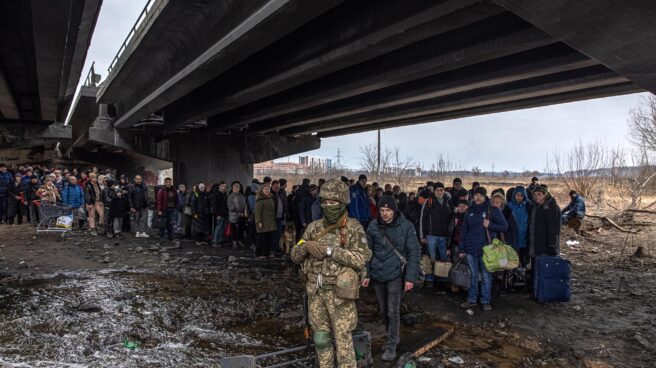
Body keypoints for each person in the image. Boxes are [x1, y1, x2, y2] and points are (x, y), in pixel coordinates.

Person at [290, 179, 371, 368]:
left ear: (342, 203)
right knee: (320, 338)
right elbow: (295, 254)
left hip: (339, 296)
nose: (328, 206)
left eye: (333, 203)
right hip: (316, 292)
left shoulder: (353, 228)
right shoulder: (313, 228)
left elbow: (360, 259)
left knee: (343, 341)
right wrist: (306, 247)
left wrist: (331, 251)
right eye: (325, 202)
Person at [362, 195, 420, 361]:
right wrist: (366, 273)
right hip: (379, 274)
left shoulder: (406, 226)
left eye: (388, 210)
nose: (385, 213)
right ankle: (392, 336)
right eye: (382, 210)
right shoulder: (373, 226)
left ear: (394, 210)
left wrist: (410, 277)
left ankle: (392, 344)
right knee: (383, 310)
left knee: (393, 311)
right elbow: (367, 252)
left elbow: (414, 252)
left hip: (396, 274)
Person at [459, 187, 508, 311]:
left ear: (485, 197)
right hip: (470, 248)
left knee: (486, 276)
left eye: (481, 195)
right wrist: (461, 248)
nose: (478, 197)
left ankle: (485, 300)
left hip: (486, 249)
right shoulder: (469, 210)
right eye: (476, 195)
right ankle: (472, 300)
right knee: (473, 275)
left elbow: (504, 226)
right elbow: (464, 230)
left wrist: (490, 225)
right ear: (473, 196)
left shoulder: (492, 210)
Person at [419, 182, 453, 286]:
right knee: (431, 258)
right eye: (437, 190)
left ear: (444, 191)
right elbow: (422, 219)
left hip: (444, 235)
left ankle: (442, 278)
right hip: (431, 235)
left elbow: (451, 218)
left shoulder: (448, 202)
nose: (439, 192)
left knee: (443, 258)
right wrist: (422, 236)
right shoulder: (429, 201)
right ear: (434, 191)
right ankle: (430, 278)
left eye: (441, 190)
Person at [529, 185, 561, 259]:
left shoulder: (552, 208)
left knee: (546, 266)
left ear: (545, 195)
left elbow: (555, 228)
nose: (537, 197)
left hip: (547, 245)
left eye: (539, 194)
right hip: (535, 243)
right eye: (535, 195)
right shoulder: (533, 206)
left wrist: (552, 245)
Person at [507, 186, 530, 267]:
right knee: (511, 262)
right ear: (514, 195)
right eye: (517, 195)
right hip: (511, 238)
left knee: (523, 261)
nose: (519, 197)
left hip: (524, 239)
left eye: (521, 195)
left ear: (524, 196)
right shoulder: (508, 206)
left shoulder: (528, 206)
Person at [255, 184, 276, 258]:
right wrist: (259, 222)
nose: (267, 190)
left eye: (268, 189)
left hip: (270, 222)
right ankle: (259, 253)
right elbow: (257, 212)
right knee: (261, 239)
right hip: (263, 222)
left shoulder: (270, 198)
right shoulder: (260, 200)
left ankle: (267, 253)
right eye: (265, 189)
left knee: (268, 239)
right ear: (262, 190)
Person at [228, 181, 247, 248]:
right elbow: (230, 206)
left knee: (241, 230)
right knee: (234, 230)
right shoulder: (231, 196)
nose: (236, 189)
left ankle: (240, 240)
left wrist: (244, 213)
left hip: (241, 216)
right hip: (233, 216)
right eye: (234, 188)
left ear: (239, 188)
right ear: (232, 188)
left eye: (237, 188)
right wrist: (238, 212)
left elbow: (245, 205)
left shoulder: (242, 196)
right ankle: (234, 242)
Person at [210, 181, 229, 247]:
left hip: (224, 214)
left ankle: (220, 240)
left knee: (222, 227)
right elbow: (215, 206)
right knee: (219, 227)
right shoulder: (216, 195)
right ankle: (215, 241)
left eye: (224, 186)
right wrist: (217, 214)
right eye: (222, 186)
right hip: (220, 214)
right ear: (219, 187)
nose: (223, 188)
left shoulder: (224, 194)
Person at [271, 180, 288, 254]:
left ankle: (277, 247)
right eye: (275, 187)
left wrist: (286, 214)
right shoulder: (270, 195)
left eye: (278, 187)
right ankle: (273, 248)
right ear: (272, 187)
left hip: (280, 217)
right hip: (272, 218)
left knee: (279, 233)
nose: (277, 188)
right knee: (273, 234)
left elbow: (284, 204)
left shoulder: (280, 194)